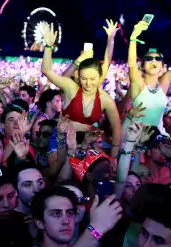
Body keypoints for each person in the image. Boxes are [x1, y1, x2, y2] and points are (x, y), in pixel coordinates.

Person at [39, 24, 122, 156]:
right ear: (78, 77)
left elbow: (117, 129)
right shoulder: (71, 88)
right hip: (63, 142)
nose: (88, 83)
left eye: (92, 79)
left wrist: (114, 157)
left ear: (100, 77)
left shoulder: (105, 99)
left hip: (87, 144)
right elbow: (46, 70)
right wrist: (48, 47)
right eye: (84, 79)